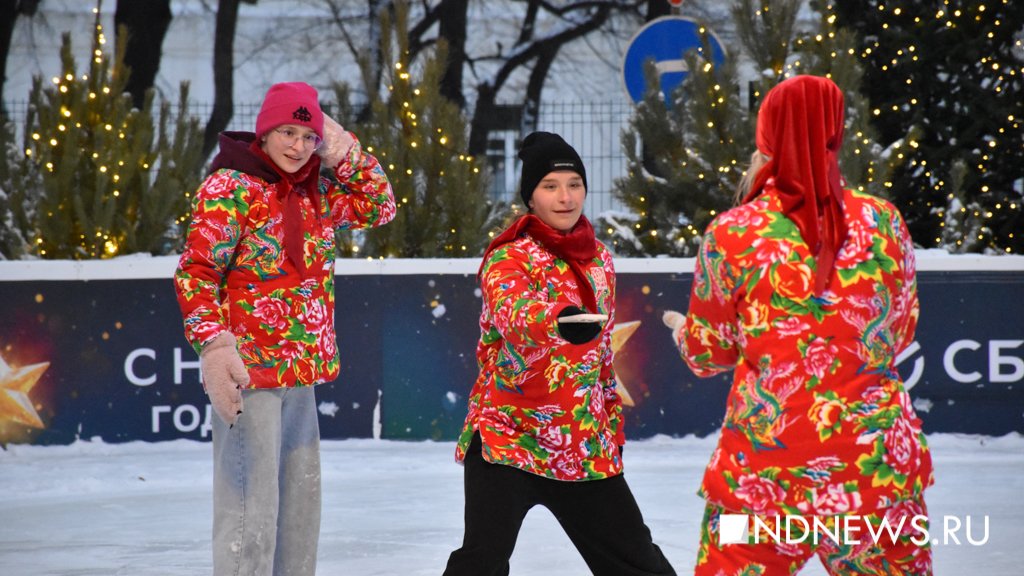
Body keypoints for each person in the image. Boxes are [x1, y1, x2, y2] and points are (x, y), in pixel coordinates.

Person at [662, 75, 933, 575]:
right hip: (873, 481)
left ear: (766, 136)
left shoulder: (733, 233)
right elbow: (900, 329)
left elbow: (708, 354)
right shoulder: (885, 223)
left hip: (762, 484)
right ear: (837, 133)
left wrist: (682, 329)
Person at [173, 81, 396, 575]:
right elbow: (198, 272)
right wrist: (213, 346)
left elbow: (380, 204)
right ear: (265, 131)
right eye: (287, 132)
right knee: (253, 509)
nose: (298, 146)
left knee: (300, 507)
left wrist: (344, 150)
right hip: (249, 374)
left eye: (309, 136)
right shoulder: (231, 186)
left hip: (300, 370)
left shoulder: (315, 190)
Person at [444, 132, 676, 576]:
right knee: (481, 561)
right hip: (509, 438)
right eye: (550, 185)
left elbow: (602, 356)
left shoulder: (600, 261)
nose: (565, 196)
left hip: (582, 440)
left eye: (574, 184)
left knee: (639, 563)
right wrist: (558, 319)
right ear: (530, 196)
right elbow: (514, 311)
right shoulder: (508, 257)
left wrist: (611, 425)